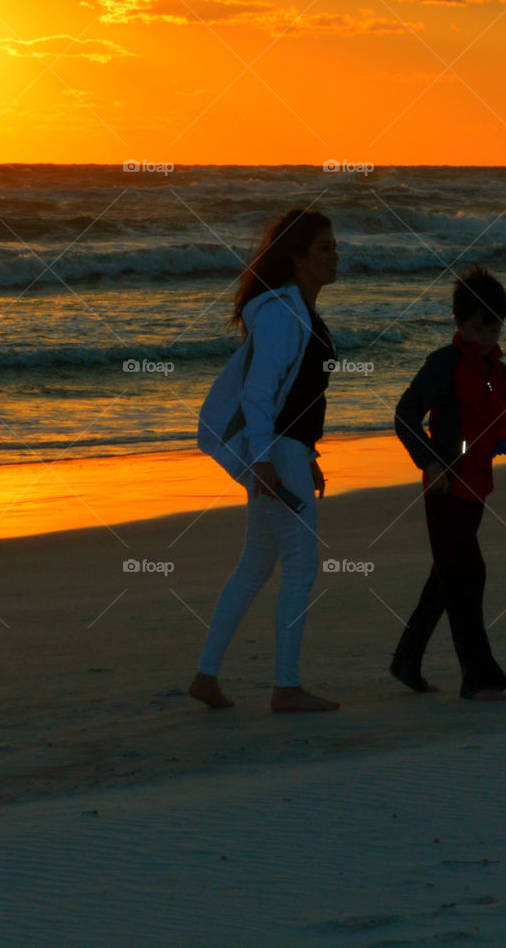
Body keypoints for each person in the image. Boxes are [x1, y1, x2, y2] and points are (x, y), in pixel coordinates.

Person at [191, 208, 340, 714]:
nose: (334, 255)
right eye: (323, 248)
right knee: (301, 566)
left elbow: (297, 396)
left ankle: (206, 678)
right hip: (275, 451)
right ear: (297, 258)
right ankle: (286, 687)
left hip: (287, 450)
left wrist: (309, 454)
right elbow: (258, 397)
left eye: (333, 246)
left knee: (255, 565)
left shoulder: (299, 309)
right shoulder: (283, 313)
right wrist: (265, 463)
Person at [391, 265, 506, 701]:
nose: (488, 337)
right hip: (444, 488)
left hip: (477, 488)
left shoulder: (501, 373)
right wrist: (431, 462)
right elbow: (405, 415)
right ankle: (480, 677)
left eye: (495, 327)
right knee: (466, 574)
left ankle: (406, 661)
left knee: (447, 574)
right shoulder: (443, 364)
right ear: (460, 324)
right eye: (480, 327)